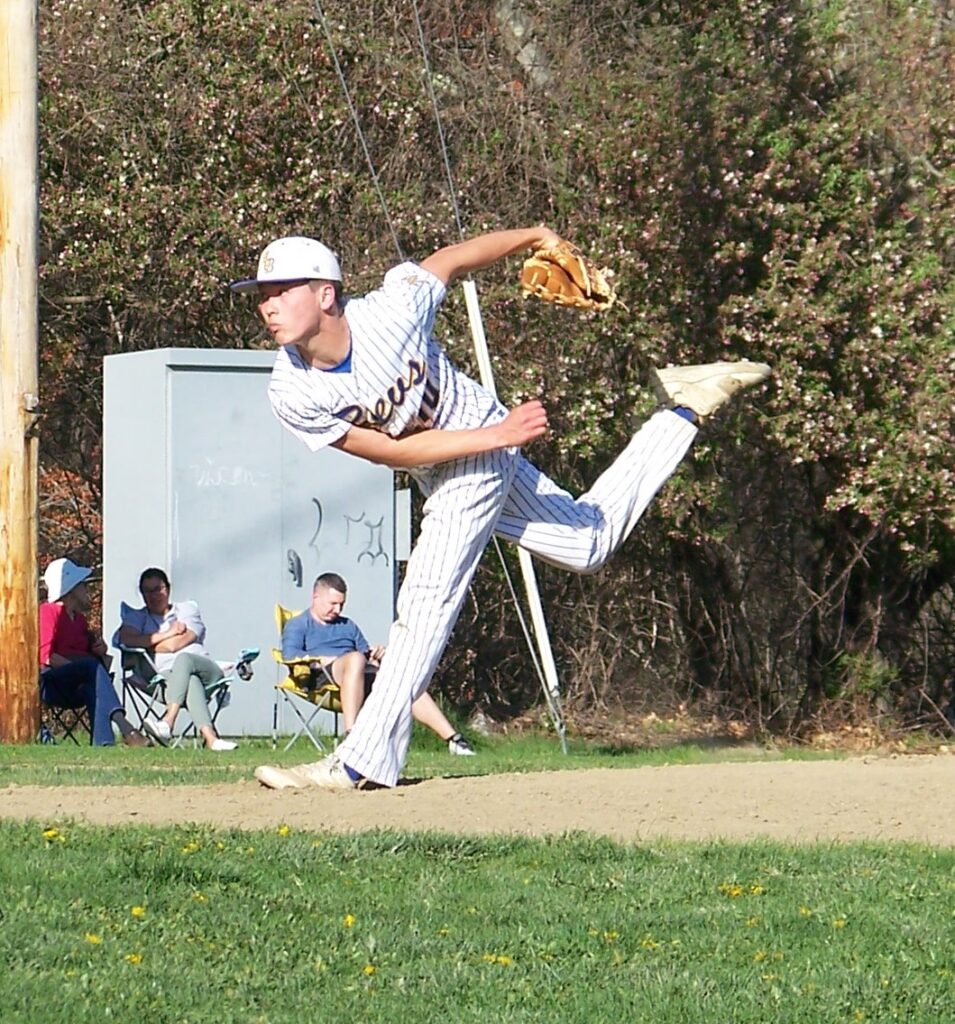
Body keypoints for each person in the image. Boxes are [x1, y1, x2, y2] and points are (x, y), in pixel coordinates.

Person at [233, 228, 770, 790]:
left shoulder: (391, 310)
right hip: (460, 454)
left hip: (479, 453)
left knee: (425, 601)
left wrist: (536, 236)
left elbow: (453, 259)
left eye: (281, 289)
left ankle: (361, 761)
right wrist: (498, 434)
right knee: (588, 543)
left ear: (325, 294)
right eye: (262, 294)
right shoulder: (290, 390)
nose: (267, 304)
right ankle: (682, 411)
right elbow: (393, 451)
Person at [283, 571, 475, 756]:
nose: (338, 610)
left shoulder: (347, 625)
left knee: (405, 680)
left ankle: (454, 740)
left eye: (342, 604)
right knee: (355, 659)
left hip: (359, 672)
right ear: (315, 597)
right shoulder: (298, 624)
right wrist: (327, 659)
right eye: (332, 604)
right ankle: (352, 735)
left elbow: (364, 652)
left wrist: (377, 655)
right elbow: (290, 656)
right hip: (323, 675)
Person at [114, 567, 237, 752]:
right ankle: (212, 740)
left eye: (158, 589)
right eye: (147, 591)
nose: (154, 595)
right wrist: (170, 632)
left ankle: (168, 722)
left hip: (207, 674)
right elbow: (126, 640)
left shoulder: (187, 609)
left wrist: (149, 641)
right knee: (190, 681)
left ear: (168, 589)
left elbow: (178, 644)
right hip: (166, 682)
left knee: (184, 658)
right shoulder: (136, 617)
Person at [39, 557, 148, 747]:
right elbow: (47, 656)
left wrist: (100, 650)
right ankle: (126, 728)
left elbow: (90, 657)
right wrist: (83, 667)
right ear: (71, 589)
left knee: (93, 684)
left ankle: (104, 745)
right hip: (53, 682)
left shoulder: (80, 620)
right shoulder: (49, 612)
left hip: (78, 683)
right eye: (82, 585)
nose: (86, 590)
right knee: (91, 668)